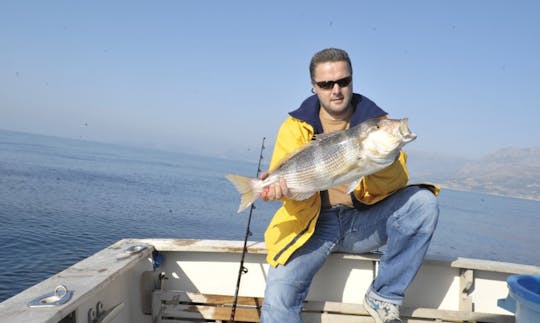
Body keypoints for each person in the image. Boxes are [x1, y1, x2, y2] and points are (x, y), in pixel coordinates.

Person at [258, 48, 440, 323]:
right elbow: (291, 186)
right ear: (313, 87)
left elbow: (397, 182)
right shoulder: (294, 127)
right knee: (279, 295)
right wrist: (280, 191)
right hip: (313, 226)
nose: (336, 90)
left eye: (344, 81)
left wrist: (383, 157)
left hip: (363, 222)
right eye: (326, 84)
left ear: (352, 81)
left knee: (424, 202)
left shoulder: (378, 124)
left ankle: (384, 296)